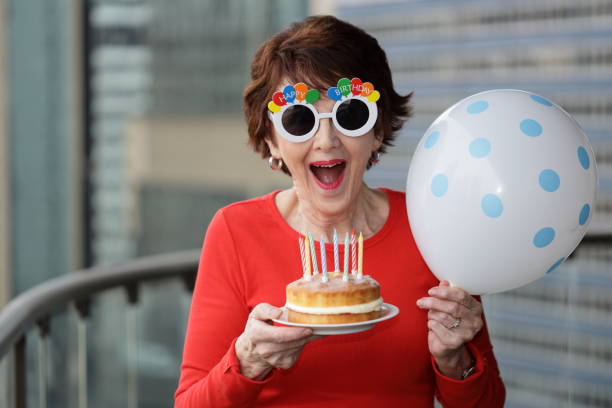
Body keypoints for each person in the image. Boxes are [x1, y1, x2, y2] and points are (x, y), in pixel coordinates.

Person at [174, 15, 505, 407]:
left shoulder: (430, 225)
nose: (326, 141)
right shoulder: (235, 230)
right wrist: (247, 361)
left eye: (350, 115)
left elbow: (487, 402)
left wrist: (455, 359)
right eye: (300, 120)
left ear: (377, 129)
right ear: (271, 139)